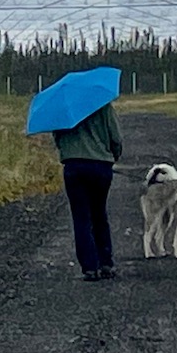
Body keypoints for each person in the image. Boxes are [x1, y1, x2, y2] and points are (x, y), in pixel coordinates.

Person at [53, 101, 123, 281]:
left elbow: (58, 138)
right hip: (101, 166)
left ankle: (90, 267)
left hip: (74, 165)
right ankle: (106, 263)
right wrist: (112, 156)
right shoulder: (104, 106)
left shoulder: (64, 107)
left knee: (81, 217)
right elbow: (116, 138)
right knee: (99, 213)